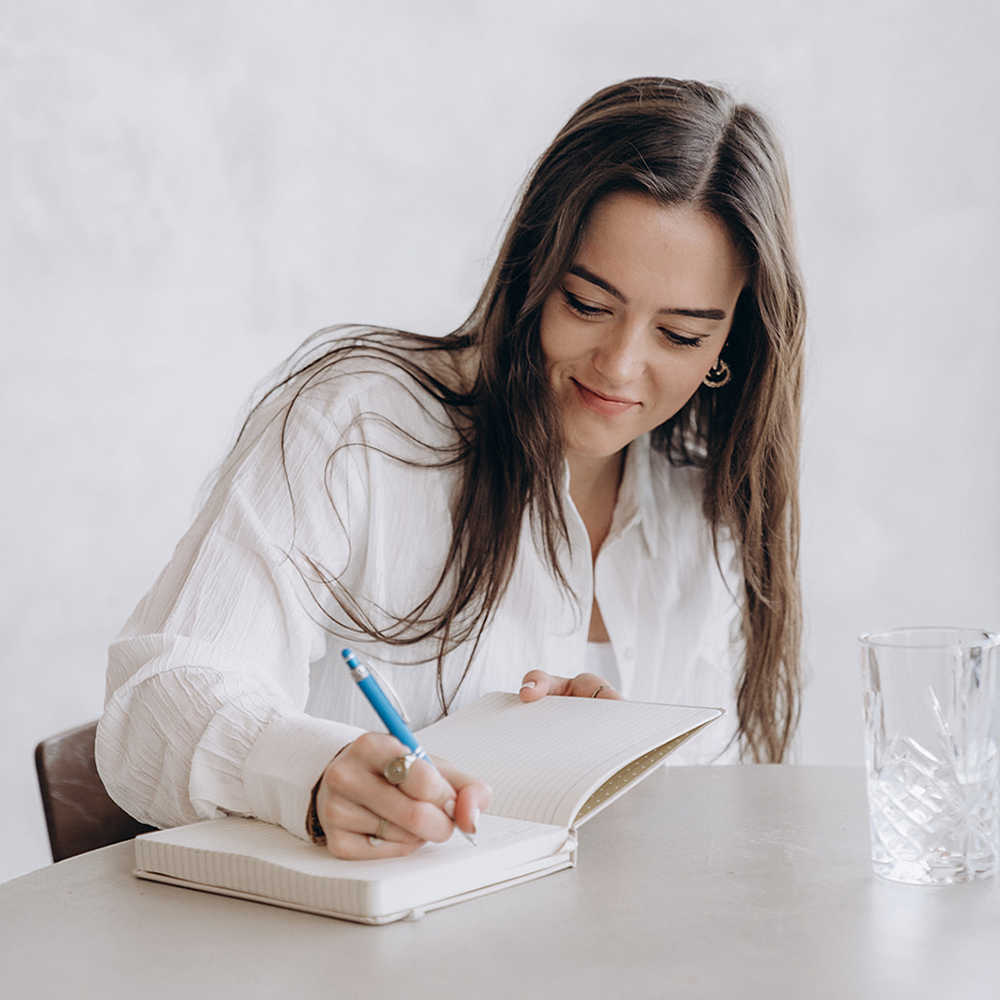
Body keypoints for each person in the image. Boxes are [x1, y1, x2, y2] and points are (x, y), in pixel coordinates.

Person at [97, 77, 805, 860]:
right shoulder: (360, 427)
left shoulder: (705, 514)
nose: (621, 365)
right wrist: (317, 772)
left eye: (679, 335)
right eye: (587, 304)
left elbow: (705, 844)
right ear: (532, 274)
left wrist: (602, 776)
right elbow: (155, 701)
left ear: (728, 350)